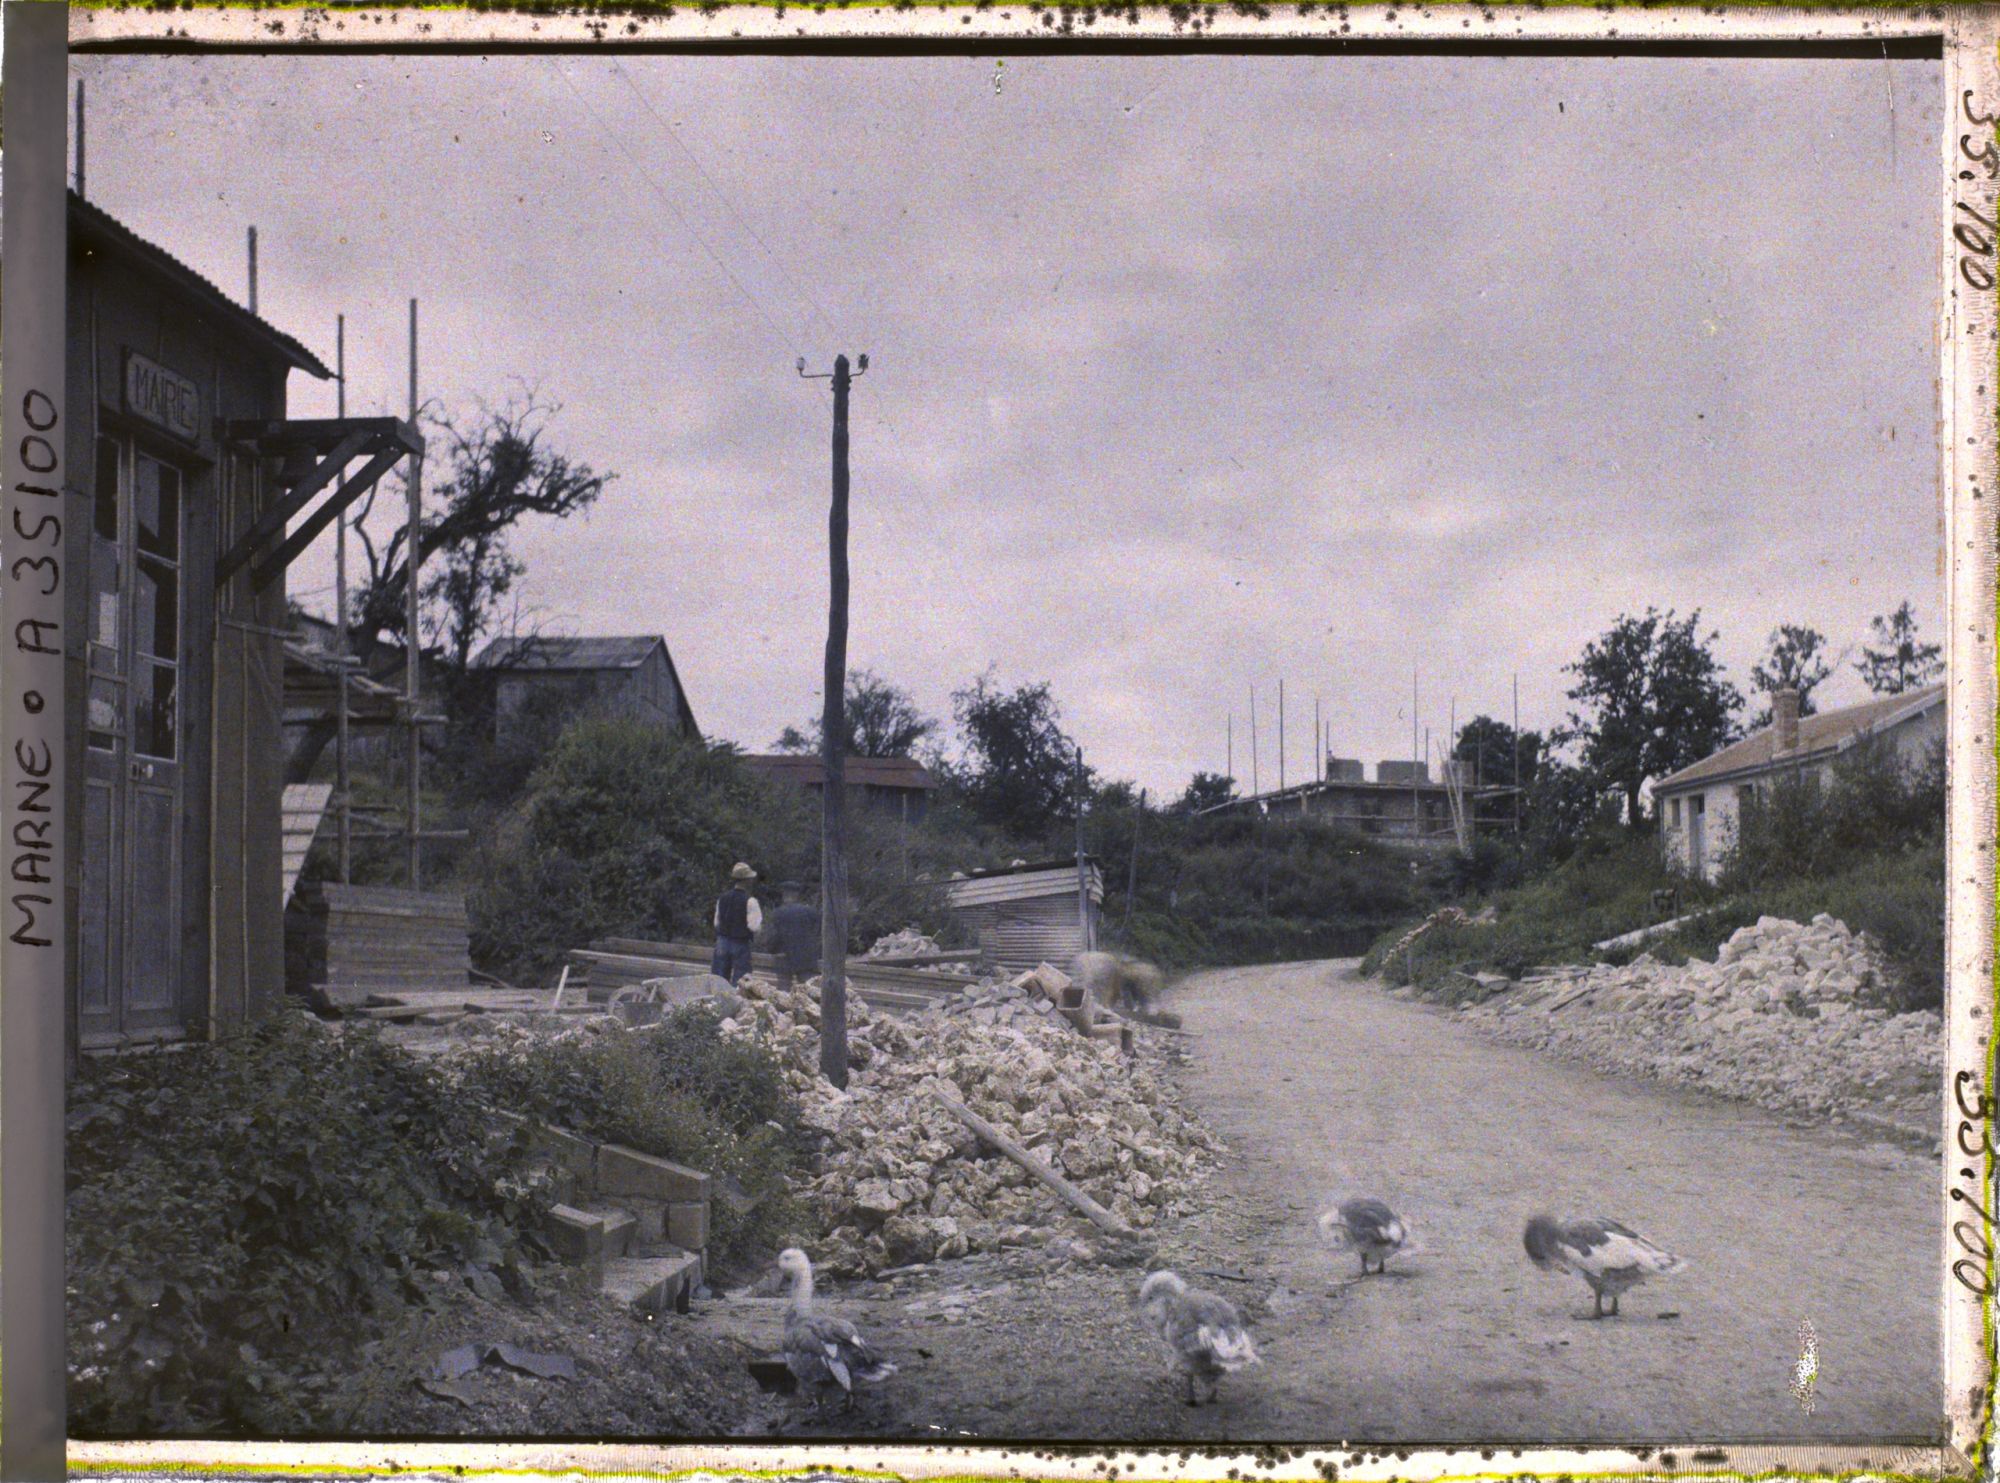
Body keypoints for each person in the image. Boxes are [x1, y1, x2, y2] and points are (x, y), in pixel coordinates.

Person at [711, 862, 762, 985]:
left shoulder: (722, 898)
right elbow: (754, 926)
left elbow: (716, 923)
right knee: (741, 980)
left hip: (722, 941)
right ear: (747, 881)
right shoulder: (750, 901)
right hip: (740, 943)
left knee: (719, 978)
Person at [769, 881, 821, 993]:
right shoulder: (811, 912)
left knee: (783, 989)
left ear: (784, 894)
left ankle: (783, 1010)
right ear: (797, 895)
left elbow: (775, 936)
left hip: (784, 956)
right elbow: (817, 933)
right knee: (807, 989)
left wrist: (773, 950)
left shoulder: (778, 913)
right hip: (806, 956)